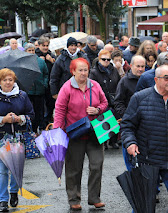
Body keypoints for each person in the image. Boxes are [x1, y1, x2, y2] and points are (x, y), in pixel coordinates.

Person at [121, 65, 168, 213]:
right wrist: (130, 143)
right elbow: (127, 125)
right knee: (144, 200)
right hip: (147, 159)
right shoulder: (140, 98)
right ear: (156, 79)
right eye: (166, 78)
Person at [53, 58, 108, 211]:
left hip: (95, 132)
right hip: (74, 134)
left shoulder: (95, 85)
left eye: (86, 70)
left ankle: (94, 198)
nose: (84, 73)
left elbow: (105, 103)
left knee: (97, 165)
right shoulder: (67, 88)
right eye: (80, 70)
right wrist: (58, 131)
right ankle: (74, 199)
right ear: (73, 71)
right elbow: (60, 110)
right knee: (74, 169)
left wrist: (97, 110)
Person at [0, 68, 34, 212]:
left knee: (16, 169)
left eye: (10, 80)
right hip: (1, 137)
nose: (8, 83)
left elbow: (31, 115)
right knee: (2, 171)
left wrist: (20, 118)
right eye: (4, 80)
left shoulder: (22, 95)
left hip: (17, 138)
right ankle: (2, 200)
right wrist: (3, 120)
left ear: (14, 81)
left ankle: (14, 192)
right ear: (0, 82)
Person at [89, 50, 120, 149]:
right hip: (101, 98)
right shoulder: (94, 72)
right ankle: (104, 141)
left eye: (108, 59)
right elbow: (92, 86)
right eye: (104, 59)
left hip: (113, 97)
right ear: (99, 59)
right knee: (102, 118)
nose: (106, 61)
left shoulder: (114, 70)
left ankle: (113, 141)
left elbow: (119, 82)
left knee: (114, 117)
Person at [24, 43, 49, 132]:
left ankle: (40, 127)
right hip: (28, 91)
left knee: (40, 111)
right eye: (29, 50)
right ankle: (31, 128)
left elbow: (46, 73)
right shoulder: (23, 61)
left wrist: (44, 83)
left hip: (39, 90)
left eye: (33, 50)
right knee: (30, 111)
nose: (31, 52)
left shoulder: (40, 61)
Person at [35, 36, 56, 125]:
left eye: (47, 45)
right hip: (39, 85)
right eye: (43, 45)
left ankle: (47, 120)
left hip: (50, 84)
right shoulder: (35, 55)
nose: (45, 47)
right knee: (39, 106)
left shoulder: (51, 55)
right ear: (39, 46)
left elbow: (57, 68)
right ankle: (41, 122)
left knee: (50, 104)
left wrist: (52, 61)